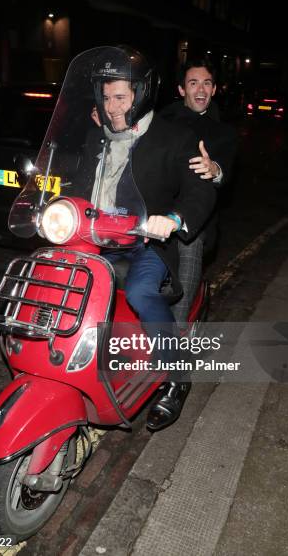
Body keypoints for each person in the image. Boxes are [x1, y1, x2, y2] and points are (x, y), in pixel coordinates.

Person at [86, 46, 217, 430]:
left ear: (140, 95)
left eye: (121, 97)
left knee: (143, 293)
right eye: (107, 97)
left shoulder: (173, 136)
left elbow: (200, 189)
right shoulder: (96, 135)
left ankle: (176, 376)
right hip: (94, 238)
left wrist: (174, 218)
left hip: (146, 242)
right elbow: (68, 174)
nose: (112, 106)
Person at [160, 58, 238, 323]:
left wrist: (214, 169)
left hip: (196, 218)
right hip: (154, 208)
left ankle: (177, 334)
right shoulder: (159, 122)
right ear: (182, 89)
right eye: (193, 83)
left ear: (214, 90)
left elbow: (224, 171)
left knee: (189, 241)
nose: (201, 89)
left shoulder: (223, 132)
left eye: (207, 83)